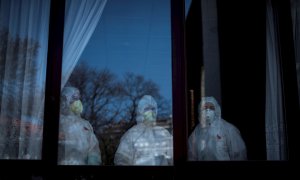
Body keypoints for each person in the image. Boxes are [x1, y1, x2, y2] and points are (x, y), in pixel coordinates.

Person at [114, 95, 173, 165]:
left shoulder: (163, 133)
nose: (151, 112)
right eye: (147, 109)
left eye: (153, 109)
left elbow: (172, 158)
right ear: (140, 111)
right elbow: (121, 160)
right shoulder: (131, 135)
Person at [188, 96, 247, 160]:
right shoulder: (197, 132)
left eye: (211, 108)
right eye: (205, 108)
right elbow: (192, 156)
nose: (208, 110)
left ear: (216, 110)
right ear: (200, 110)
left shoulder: (229, 129)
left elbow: (239, 154)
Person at [58, 86, 102, 165]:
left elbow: (93, 150)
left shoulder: (85, 125)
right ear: (64, 101)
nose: (77, 102)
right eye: (74, 98)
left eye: (78, 98)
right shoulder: (58, 122)